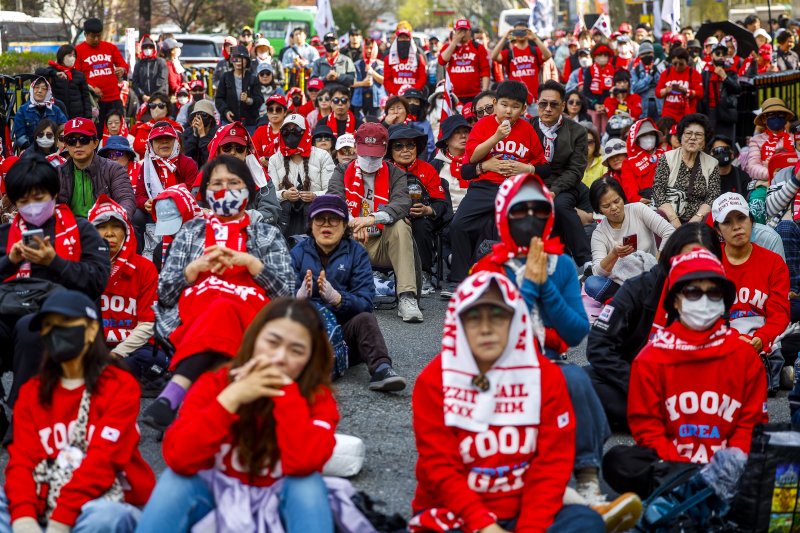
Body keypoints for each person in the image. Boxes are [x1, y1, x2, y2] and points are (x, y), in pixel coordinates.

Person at [411, 271, 608, 532]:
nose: (485, 328)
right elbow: (440, 467)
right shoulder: (433, 380)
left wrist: (530, 527)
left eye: (497, 315)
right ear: (458, 322)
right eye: (473, 316)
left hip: (523, 509)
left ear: (515, 321)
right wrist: (483, 524)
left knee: (586, 525)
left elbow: (551, 464)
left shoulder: (546, 376)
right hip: (456, 514)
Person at [137, 299, 346, 532]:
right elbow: (178, 456)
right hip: (217, 499)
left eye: (296, 351)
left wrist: (284, 393)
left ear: (310, 358)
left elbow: (304, 462)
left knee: (307, 485)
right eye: (272, 342)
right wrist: (230, 399)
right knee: (176, 482)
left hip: (281, 503)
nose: (279, 357)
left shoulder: (318, 397)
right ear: (254, 338)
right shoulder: (215, 383)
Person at [141, 156, 293, 430]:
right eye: (217, 183)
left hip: (250, 314)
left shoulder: (266, 234)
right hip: (194, 311)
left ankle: (177, 394)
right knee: (218, 309)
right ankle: (217, 413)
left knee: (222, 308)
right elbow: (163, 292)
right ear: (206, 192)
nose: (225, 189)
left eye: (233, 183)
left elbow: (287, 295)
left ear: (248, 189)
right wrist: (194, 270)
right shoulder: (190, 232)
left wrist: (251, 263)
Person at [603, 248, 767, 498]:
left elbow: (751, 424)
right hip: (672, 463)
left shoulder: (744, 357)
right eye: (693, 291)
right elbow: (648, 428)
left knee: (779, 459)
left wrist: (730, 463)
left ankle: (682, 493)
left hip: (731, 464)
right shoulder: (650, 358)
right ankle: (695, 490)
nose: (704, 299)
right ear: (676, 300)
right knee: (618, 460)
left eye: (713, 292)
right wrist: (685, 467)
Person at [1, 289, 154, 531]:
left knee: (108, 516)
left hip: (102, 499)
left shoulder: (119, 386)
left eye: (65, 323)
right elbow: (21, 462)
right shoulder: (32, 391)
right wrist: (23, 518)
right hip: (44, 497)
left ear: (92, 330)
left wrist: (60, 521)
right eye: (48, 326)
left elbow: (103, 462)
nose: (55, 332)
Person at [0, 155, 111, 419]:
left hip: (64, 309)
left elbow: (97, 280)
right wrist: (10, 261)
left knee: (31, 329)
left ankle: (26, 412)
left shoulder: (81, 229)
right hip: (12, 305)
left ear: (53, 194)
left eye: (38, 198)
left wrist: (55, 262)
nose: (32, 207)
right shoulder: (6, 233)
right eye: (23, 201)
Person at [585, 222, 723, 430]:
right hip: (635, 382)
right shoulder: (638, 288)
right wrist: (637, 383)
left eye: (702, 261)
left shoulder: (715, 296)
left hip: (690, 391)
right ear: (670, 259)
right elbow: (598, 346)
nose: (692, 269)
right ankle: (663, 420)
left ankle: (652, 419)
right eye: (685, 260)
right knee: (580, 380)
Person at [292, 195, 407, 391]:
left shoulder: (357, 253)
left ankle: (382, 368)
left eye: (334, 219)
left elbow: (366, 301)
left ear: (345, 224)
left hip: (345, 334)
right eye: (320, 219)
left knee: (365, 319)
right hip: (306, 332)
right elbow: (276, 299)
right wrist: (297, 298)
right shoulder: (297, 252)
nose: (326, 225)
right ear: (311, 224)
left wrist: (338, 298)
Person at [444, 81, 546, 294]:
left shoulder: (527, 129)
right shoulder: (483, 125)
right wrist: (497, 136)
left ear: (524, 109)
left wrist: (525, 168)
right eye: (504, 104)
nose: (509, 110)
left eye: (515, 106)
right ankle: (459, 279)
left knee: (520, 228)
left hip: (515, 189)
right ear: (495, 103)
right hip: (484, 186)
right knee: (459, 225)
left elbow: (543, 167)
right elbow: (471, 158)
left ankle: (512, 279)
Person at [326, 122, 424, 323]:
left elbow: (402, 204)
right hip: (350, 241)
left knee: (401, 223)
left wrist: (371, 218)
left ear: (385, 150)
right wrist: (354, 224)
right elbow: (334, 201)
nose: (370, 159)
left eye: (375, 154)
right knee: (332, 223)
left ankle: (406, 297)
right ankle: (334, 294)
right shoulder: (341, 171)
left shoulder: (395, 173)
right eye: (366, 154)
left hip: (383, 244)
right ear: (356, 147)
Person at [712, 193, 790, 389]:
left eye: (741, 218)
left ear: (751, 220)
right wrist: (732, 340)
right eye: (727, 222)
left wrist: (760, 339)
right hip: (721, 342)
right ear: (718, 230)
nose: (737, 226)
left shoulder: (773, 262)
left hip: (762, 343)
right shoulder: (711, 262)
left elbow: (779, 313)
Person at [87, 195, 166, 380]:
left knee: (155, 359)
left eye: (116, 226)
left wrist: (116, 354)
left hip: (133, 347)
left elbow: (148, 324)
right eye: (101, 227)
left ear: (127, 231)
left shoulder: (145, 268)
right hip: (95, 345)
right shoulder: (84, 266)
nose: (109, 233)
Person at [530, 80, 592, 271]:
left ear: (563, 106)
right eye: (543, 104)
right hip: (533, 183)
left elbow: (575, 170)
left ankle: (585, 260)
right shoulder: (527, 127)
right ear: (537, 104)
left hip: (565, 185)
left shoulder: (577, 131)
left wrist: (554, 191)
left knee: (558, 205)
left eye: (554, 104)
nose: (547, 109)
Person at [585, 177, 675, 302]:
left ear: (622, 197)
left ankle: (626, 301)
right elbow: (598, 273)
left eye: (617, 201)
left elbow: (670, 232)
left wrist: (658, 264)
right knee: (592, 284)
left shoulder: (638, 209)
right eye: (606, 206)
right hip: (621, 282)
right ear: (599, 209)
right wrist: (613, 254)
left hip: (651, 274)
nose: (614, 208)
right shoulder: (599, 234)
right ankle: (636, 299)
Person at [386, 125, 449, 295]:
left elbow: (441, 203)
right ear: (390, 150)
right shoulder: (383, 170)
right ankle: (384, 273)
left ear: (416, 148)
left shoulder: (428, 169)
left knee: (421, 224)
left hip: (422, 218)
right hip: (391, 217)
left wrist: (428, 210)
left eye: (410, 145)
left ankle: (424, 274)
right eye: (399, 146)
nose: (405, 150)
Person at [198, 122, 281, 225]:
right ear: (218, 150)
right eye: (227, 147)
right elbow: (194, 210)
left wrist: (238, 218)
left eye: (239, 148)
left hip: (252, 234)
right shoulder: (202, 178)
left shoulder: (261, 178)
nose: (233, 152)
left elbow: (271, 213)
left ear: (247, 151)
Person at [270, 114, 335, 237]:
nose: (291, 134)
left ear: (306, 132)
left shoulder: (323, 156)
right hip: (285, 217)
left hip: (315, 215)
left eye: (297, 130)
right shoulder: (274, 159)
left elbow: (332, 190)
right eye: (286, 131)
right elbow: (269, 193)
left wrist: (315, 196)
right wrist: (284, 194)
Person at [57, 117, 135, 218]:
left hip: (106, 225)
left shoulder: (114, 169)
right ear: (66, 145)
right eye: (71, 141)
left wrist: (115, 222)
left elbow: (126, 199)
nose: (77, 145)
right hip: (69, 228)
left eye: (83, 140)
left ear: (95, 143)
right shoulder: (57, 173)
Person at [652, 114, 720, 228]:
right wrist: (674, 220)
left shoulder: (712, 163)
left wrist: (698, 217)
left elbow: (712, 197)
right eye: (688, 133)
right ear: (681, 137)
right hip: (669, 216)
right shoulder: (667, 158)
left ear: (704, 141)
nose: (693, 138)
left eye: (698, 135)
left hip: (699, 220)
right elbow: (658, 191)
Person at [135, 122, 198, 235]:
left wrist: (169, 203)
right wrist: (145, 203)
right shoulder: (147, 166)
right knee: (137, 216)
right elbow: (139, 195)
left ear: (176, 142)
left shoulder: (188, 163)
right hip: (155, 213)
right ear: (151, 145)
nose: (164, 142)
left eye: (168, 139)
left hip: (182, 211)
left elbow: (192, 193)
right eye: (159, 139)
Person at [74, 18, 128, 128]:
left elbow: (124, 65)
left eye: (99, 35)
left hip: (113, 98)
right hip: (94, 101)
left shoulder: (110, 47)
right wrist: (91, 87)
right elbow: (77, 76)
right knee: (96, 132)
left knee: (118, 129)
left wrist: (122, 70)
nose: (96, 39)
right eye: (93, 36)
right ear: (85, 34)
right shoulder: (79, 50)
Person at [492, 22, 552, 107]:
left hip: (534, 100)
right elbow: (493, 56)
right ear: (514, 33)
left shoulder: (535, 51)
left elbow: (548, 55)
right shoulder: (509, 53)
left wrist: (535, 38)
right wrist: (505, 38)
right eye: (517, 31)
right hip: (514, 100)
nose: (520, 33)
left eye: (523, 31)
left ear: (528, 32)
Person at [438, 18, 490, 102]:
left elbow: (485, 71)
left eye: (465, 31)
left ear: (469, 32)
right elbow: (442, 61)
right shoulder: (448, 47)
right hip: (453, 95)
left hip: (474, 95)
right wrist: (454, 42)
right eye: (459, 31)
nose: (462, 34)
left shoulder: (478, 48)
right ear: (455, 32)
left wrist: (484, 91)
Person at [36, 44, 92, 120]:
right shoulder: (52, 71)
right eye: (69, 55)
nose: (72, 58)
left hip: (77, 116)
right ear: (61, 56)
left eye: (74, 56)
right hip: (57, 114)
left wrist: (88, 116)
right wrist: (54, 73)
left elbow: (86, 98)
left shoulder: (79, 75)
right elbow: (38, 72)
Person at [698, 43, 741, 140]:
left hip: (726, 111)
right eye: (718, 53)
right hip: (710, 112)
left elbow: (737, 89)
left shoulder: (731, 71)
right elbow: (702, 94)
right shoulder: (705, 72)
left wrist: (725, 77)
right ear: (711, 55)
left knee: (727, 141)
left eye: (724, 53)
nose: (721, 56)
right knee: (711, 142)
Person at [12, 77, 67, 151]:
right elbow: (20, 136)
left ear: (48, 92)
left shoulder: (55, 110)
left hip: (52, 150)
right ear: (32, 89)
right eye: (36, 87)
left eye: (44, 88)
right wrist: (31, 149)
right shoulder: (22, 110)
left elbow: (64, 128)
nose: (39, 91)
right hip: (29, 151)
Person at [215, 45, 263, 129]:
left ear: (247, 61)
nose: (238, 61)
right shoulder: (225, 77)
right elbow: (219, 99)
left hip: (249, 124)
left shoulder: (253, 78)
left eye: (242, 58)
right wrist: (226, 111)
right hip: (229, 123)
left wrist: (249, 100)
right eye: (235, 58)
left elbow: (260, 99)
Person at [430, 115, 470, 213]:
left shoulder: (478, 161)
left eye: (466, 131)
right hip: (445, 221)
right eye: (457, 132)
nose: (463, 136)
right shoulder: (434, 166)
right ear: (446, 140)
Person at [619, 118, 664, 204]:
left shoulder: (666, 154)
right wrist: (639, 200)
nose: (649, 138)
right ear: (637, 139)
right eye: (644, 135)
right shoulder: (629, 163)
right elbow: (630, 188)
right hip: (644, 204)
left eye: (651, 134)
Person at [656, 47, 703, 122]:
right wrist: (666, 90)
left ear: (687, 62)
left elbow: (700, 94)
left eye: (681, 64)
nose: (677, 66)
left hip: (687, 114)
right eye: (675, 64)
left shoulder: (693, 73)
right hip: (668, 114)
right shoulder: (666, 73)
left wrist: (687, 91)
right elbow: (658, 93)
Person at [379, 24, 427, 98]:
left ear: (410, 40)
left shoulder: (419, 58)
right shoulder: (388, 59)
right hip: (395, 97)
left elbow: (422, 78)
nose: (403, 40)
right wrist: (397, 93)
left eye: (406, 38)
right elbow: (387, 80)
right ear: (397, 40)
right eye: (401, 38)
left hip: (414, 97)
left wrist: (412, 92)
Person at [131, 92, 183, 159]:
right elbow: (137, 147)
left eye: (161, 105)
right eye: (153, 105)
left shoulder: (175, 126)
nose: (156, 109)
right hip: (147, 166)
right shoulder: (143, 127)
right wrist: (160, 145)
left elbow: (175, 147)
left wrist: (150, 145)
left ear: (167, 109)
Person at [582, 44, 616, 134]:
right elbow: (586, 92)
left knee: (607, 133)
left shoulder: (613, 70)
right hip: (593, 107)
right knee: (593, 133)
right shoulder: (590, 70)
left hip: (608, 108)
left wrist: (606, 104)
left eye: (605, 55)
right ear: (595, 56)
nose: (602, 57)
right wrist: (595, 104)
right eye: (600, 55)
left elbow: (614, 90)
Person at [182, 99, 219, 169]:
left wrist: (202, 136)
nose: (200, 118)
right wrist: (194, 135)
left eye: (204, 114)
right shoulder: (187, 132)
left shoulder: (217, 133)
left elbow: (209, 160)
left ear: (211, 118)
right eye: (197, 114)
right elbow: (185, 156)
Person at [131, 35, 169, 103]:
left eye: (150, 47)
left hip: (160, 99)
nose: (148, 49)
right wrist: (142, 95)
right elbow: (135, 83)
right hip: (143, 100)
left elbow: (162, 81)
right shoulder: (139, 64)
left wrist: (154, 97)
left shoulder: (160, 62)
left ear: (154, 48)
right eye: (145, 47)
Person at [252, 94, 289, 162]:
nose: (274, 112)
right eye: (270, 109)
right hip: (262, 171)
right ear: (267, 112)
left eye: (278, 109)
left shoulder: (290, 132)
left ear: (285, 112)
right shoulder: (260, 131)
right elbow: (254, 156)